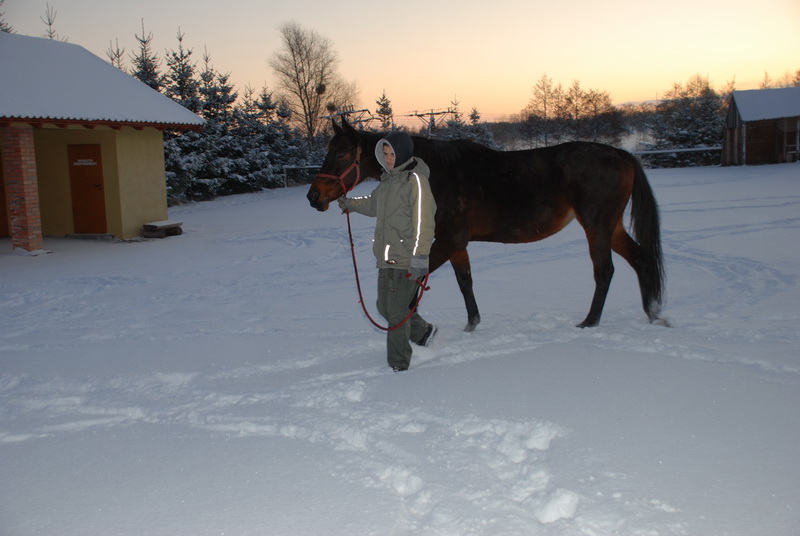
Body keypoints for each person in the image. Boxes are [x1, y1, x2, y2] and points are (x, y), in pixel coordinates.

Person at [338, 131, 438, 372]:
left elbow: (425, 223)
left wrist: (419, 258)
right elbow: (373, 204)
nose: (389, 158)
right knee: (384, 307)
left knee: (396, 315)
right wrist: (350, 203)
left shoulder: (415, 181)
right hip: (385, 258)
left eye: (392, 154)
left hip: (408, 259)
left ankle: (398, 363)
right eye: (385, 154)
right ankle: (423, 332)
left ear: (403, 153)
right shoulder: (387, 182)